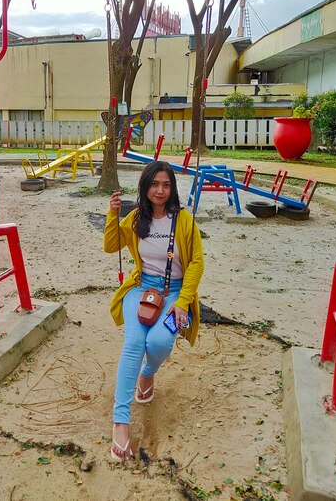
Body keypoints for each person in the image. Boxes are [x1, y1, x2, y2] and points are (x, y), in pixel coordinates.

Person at [104, 160, 204, 461]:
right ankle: (120, 422)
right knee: (135, 343)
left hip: (175, 295)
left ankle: (146, 375)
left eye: (166, 184)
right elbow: (111, 246)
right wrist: (112, 213)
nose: (160, 190)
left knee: (159, 342)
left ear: (171, 188)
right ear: (145, 187)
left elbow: (197, 263)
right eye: (154, 184)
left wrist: (183, 301)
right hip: (139, 289)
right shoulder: (136, 218)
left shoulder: (184, 220)